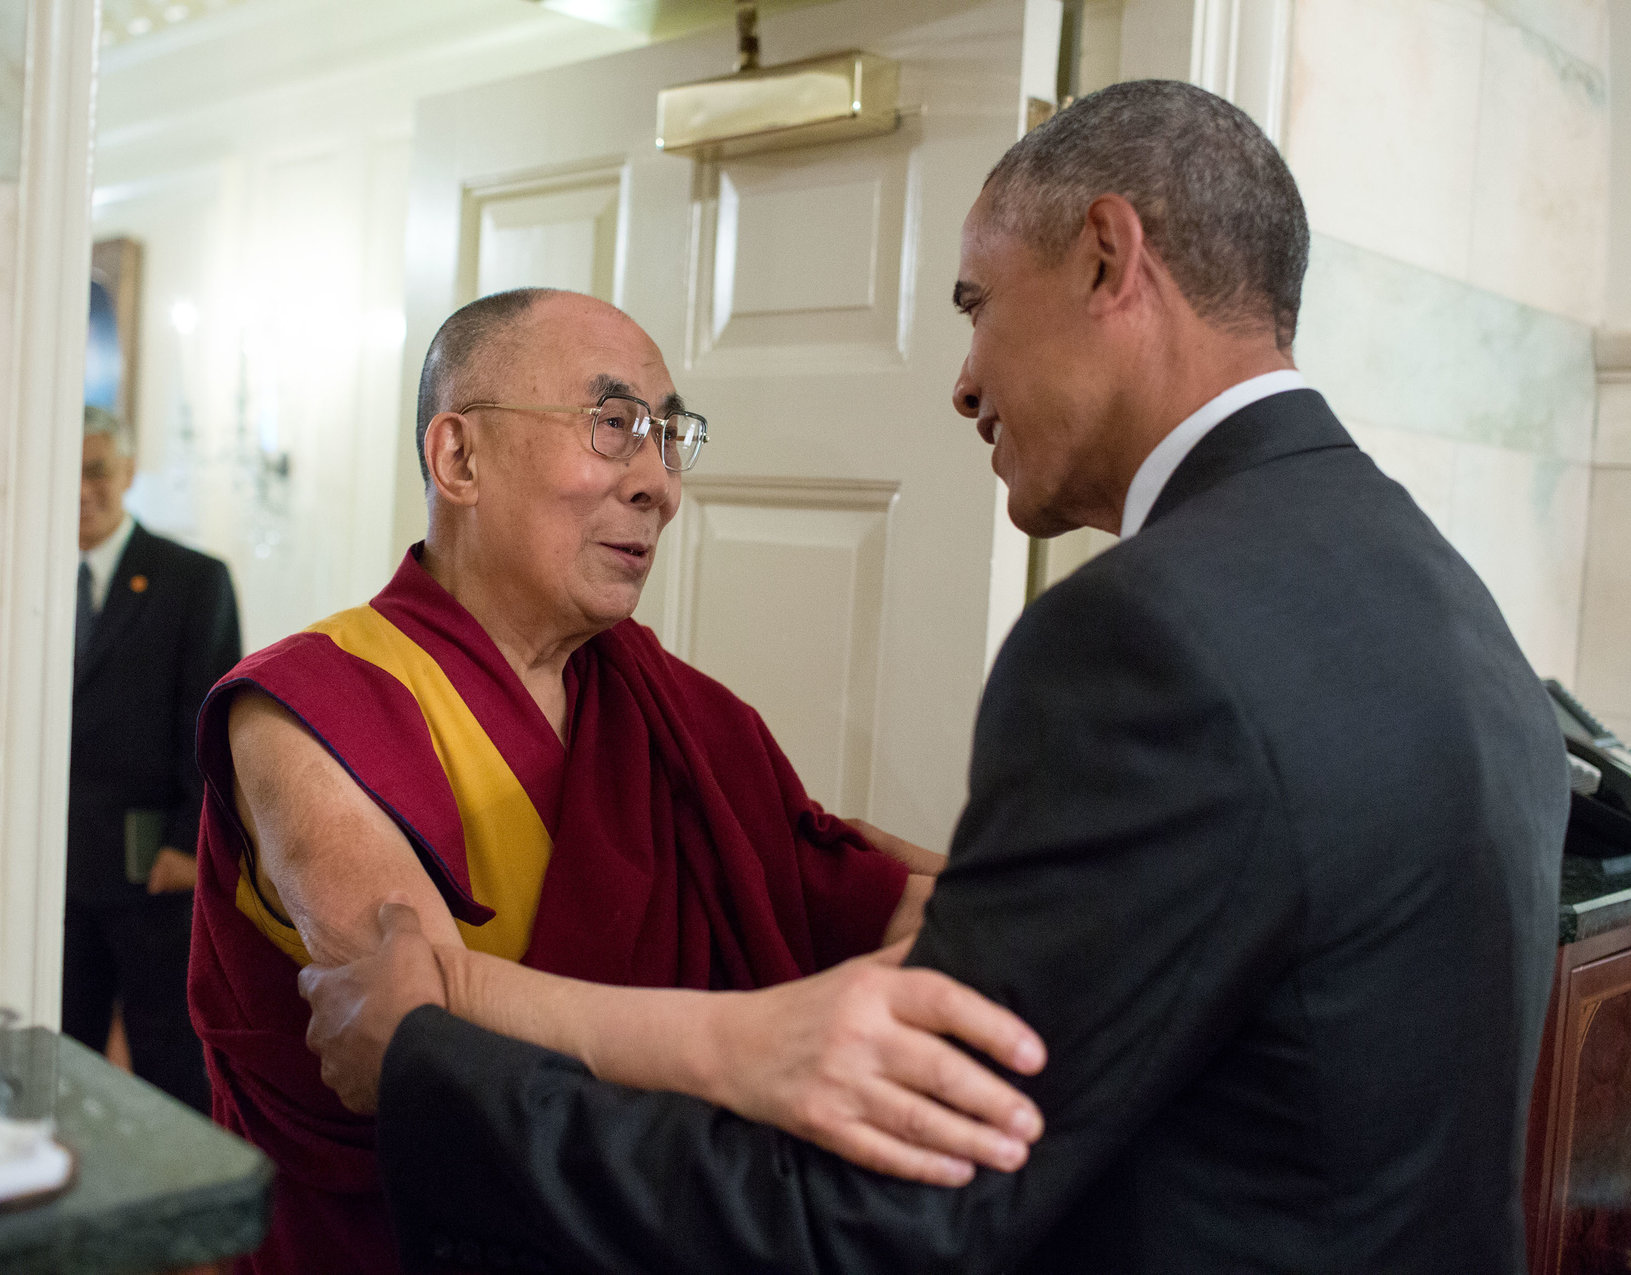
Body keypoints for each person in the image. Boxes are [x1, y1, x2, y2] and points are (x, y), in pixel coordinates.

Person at [303, 80, 1572, 1272]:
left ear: (1103, 258)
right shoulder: (1441, 593)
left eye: (973, 305)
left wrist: (436, 1057)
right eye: (609, 427)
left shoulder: (1148, 636)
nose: (962, 383)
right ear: (453, 457)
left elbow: (892, 1210)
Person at [189, 287, 1046, 1275]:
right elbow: (410, 1032)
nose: (659, 485)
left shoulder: (685, 718)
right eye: (613, 426)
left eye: (670, 435)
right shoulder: (304, 708)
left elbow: (857, 896)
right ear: (457, 456)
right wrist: (761, 1042)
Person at [62, 405, 241, 1113]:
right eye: (67, 470)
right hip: (56, 873)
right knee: (61, 1053)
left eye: (96, 469)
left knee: (168, 1059)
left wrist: (187, 841)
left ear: (128, 473)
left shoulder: (191, 578)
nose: (80, 489)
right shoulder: (28, 578)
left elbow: (214, 721)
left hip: (152, 872)